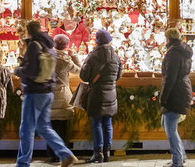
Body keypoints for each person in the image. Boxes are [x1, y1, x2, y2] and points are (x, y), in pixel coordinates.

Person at [14, 20, 79, 167]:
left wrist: (18, 70)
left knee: (26, 129)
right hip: (47, 92)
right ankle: (65, 154)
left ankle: (23, 163)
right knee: (43, 127)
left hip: (34, 92)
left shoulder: (33, 45)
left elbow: (30, 71)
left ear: (28, 31)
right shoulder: (49, 46)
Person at [80, 29, 122, 163]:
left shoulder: (92, 56)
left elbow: (84, 76)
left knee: (97, 122)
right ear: (109, 40)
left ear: (97, 41)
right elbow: (118, 76)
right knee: (107, 123)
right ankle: (107, 152)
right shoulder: (115, 57)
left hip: (96, 93)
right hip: (111, 93)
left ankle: (98, 153)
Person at [160, 27, 193, 167]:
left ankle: (177, 161)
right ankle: (180, 156)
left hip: (176, 92)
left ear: (168, 38)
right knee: (167, 125)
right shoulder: (183, 50)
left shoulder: (173, 53)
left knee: (170, 128)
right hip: (182, 89)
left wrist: (164, 98)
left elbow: (170, 78)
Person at [47, 34, 81, 162]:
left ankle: (52, 155)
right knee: (62, 128)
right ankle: (63, 155)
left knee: (50, 128)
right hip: (62, 95)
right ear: (66, 45)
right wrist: (74, 56)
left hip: (48, 96)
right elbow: (79, 71)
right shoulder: (65, 59)